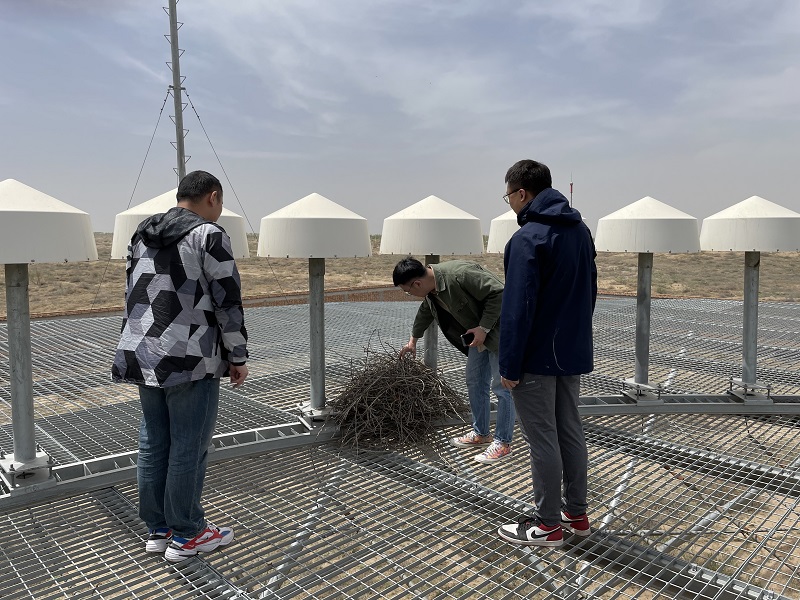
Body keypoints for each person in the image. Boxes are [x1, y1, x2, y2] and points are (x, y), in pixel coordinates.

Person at [112, 170, 249, 562]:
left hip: (143, 352)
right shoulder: (209, 235)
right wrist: (237, 356)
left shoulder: (141, 233)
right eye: (219, 204)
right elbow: (228, 301)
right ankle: (188, 533)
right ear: (213, 196)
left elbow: (131, 292)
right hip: (190, 355)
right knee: (189, 446)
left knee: (154, 442)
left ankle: (159, 529)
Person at [496, 160, 597, 547]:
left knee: (542, 439)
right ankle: (577, 513)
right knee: (570, 431)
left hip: (536, 357)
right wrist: (572, 337)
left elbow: (517, 308)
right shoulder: (580, 231)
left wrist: (509, 364)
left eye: (508, 196)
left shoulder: (528, 239)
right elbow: (591, 287)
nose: (509, 203)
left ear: (522, 194)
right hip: (569, 352)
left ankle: (548, 524)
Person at [393, 257, 516, 463]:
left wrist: (484, 327)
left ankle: (503, 443)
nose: (410, 295)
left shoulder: (459, 274)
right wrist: (413, 340)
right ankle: (481, 433)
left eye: (408, 291)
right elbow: (426, 311)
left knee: (502, 386)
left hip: (498, 333)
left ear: (417, 284)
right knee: (475, 381)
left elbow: (500, 293)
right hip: (478, 336)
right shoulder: (432, 291)